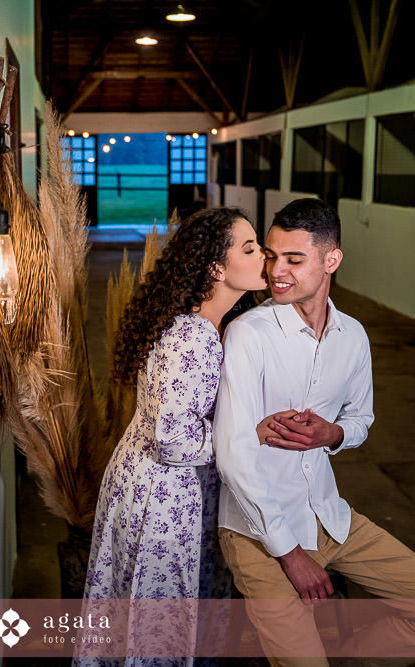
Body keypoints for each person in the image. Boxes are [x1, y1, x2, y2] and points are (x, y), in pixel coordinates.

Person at [213, 198, 415, 667]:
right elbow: (233, 455)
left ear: (331, 260)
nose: (276, 271)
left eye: (294, 259)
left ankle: (343, 657)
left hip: (331, 516)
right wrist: (291, 555)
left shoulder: (352, 336)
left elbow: (361, 420)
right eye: (271, 256)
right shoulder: (249, 334)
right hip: (257, 531)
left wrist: (333, 434)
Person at [77, 207, 267, 666]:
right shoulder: (192, 337)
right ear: (216, 268)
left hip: (166, 486)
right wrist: (249, 434)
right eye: (250, 248)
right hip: (163, 496)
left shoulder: (214, 325)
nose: (265, 255)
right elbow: (175, 441)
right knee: (157, 627)